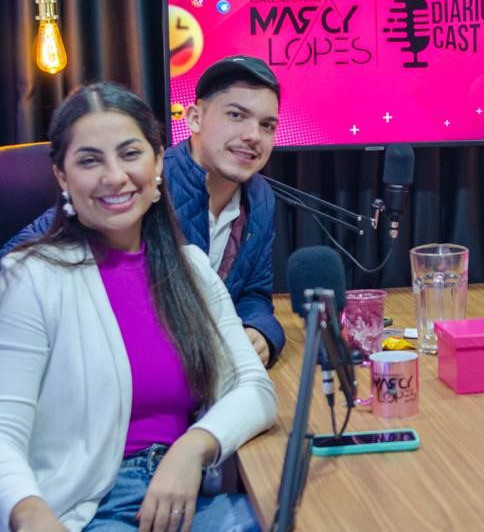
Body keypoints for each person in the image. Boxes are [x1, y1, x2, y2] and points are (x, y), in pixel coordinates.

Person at [0, 82, 276, 531]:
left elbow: (254, 390)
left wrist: (192, 448)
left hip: (186, 494)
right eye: (90, 160)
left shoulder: (191, 269)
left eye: (130, 154)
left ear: (158, 162)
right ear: (63, 178)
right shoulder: (28, 277)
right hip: (87, 509)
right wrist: (28, 511)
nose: (114, 176)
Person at [2, 56, 285, 367]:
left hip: (210, 372)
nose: (253, 135)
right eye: (236, 115)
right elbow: (16, 264)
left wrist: (260, 330)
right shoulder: (141, 183)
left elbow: (254, 293)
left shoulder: (261, 197)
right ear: (194, 118)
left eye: (266, 125)